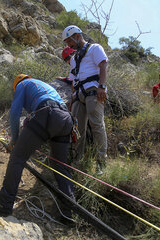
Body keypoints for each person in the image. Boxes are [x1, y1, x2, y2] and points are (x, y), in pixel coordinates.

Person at [0, 74, 75, 219]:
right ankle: (69, 212)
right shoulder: (41, 85)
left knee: (17, 158)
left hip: (47, 113)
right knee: (60, 167)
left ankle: (4, 205)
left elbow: (14, 113)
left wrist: (14, 141)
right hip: (65, 119)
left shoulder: (22, 85)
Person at [62, 25, 108, 175]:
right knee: (77, 129)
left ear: (77, 35)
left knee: (96, 125)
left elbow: (103, 65)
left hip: (93, 90)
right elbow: (74, 79)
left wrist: (102, 86)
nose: (69, 45)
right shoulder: (75, 58)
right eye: (67, 43)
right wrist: (72, 97)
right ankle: (77, 161)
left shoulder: (95, 48)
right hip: (79, 95)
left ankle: (101, 162)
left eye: (69, 41)